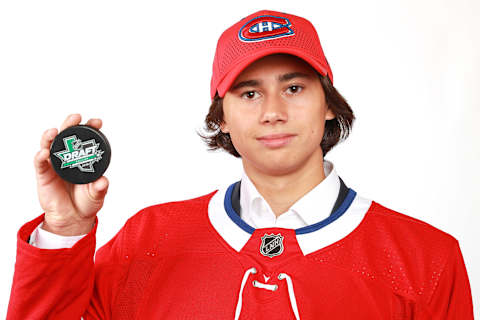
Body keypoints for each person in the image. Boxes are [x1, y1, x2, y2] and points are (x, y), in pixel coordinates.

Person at [7, 9, 474, 320]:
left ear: (328, 104)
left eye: (294, 88)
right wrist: (64, 229)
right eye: (249, 93)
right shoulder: (146, 241)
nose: (272, 110)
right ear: (222, 118)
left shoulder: (426, 259)